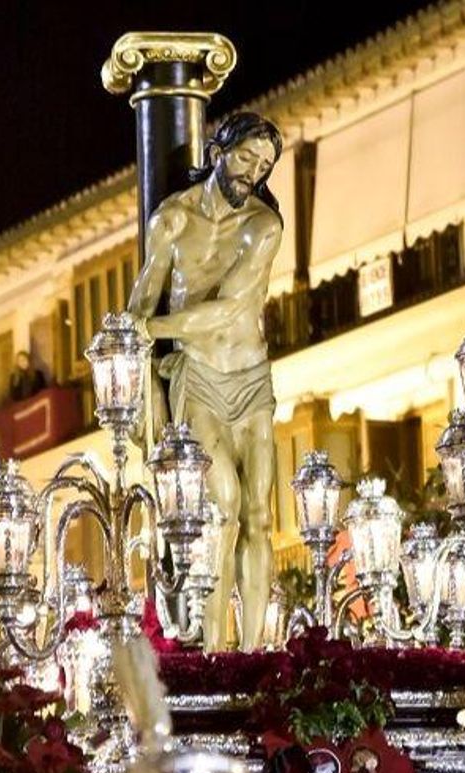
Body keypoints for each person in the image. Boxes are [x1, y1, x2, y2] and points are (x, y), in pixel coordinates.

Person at [128, 111, 285, 650]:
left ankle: (253, 652)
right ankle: (217, 654)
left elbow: (227, 308)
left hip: (251, 377)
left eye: (263, 166)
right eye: (246, 158)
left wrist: (150, 330)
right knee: (222, 506)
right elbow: (140, 305)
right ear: (218, 152)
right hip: (197, 374)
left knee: (259, 514)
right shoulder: (171, 221)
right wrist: (141, 384)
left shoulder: (264, 226)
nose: (253, 173)